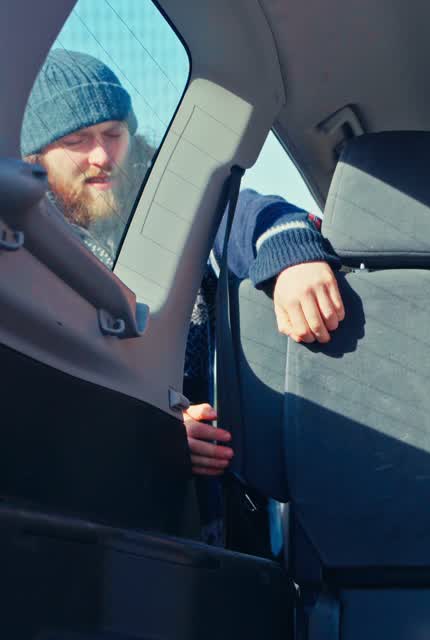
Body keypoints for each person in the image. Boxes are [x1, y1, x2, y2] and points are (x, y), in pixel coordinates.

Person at [21, 49, 346, 542]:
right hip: (72, 505)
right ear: (35, 156)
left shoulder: (162, 196)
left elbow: (251, 214)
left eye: (114, 134)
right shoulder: (25, 247)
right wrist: (154, 428)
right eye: (76, 140)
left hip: (203, 515)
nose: (102, 156)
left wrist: (294, 256)